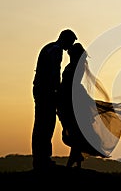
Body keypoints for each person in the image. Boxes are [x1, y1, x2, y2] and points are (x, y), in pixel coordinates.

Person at [57, 43, 121, 168]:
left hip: (74, 100)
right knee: (75, 133)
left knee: (75, 133)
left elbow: (72, 84)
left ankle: (72, 165)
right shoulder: (74, 65)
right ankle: (76, 164)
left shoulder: (77, 67)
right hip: (68, 99)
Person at [32, 29, 77, 170]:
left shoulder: (48, 47)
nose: (70, 46)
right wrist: (56, 91)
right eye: (71, 42)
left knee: (40, 124)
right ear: (66, 39)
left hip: (40, 90)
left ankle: (40, 159)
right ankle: (43, 159)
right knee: (46, 124)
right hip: (46, 92)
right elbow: (54, 73)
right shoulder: (56, 51)